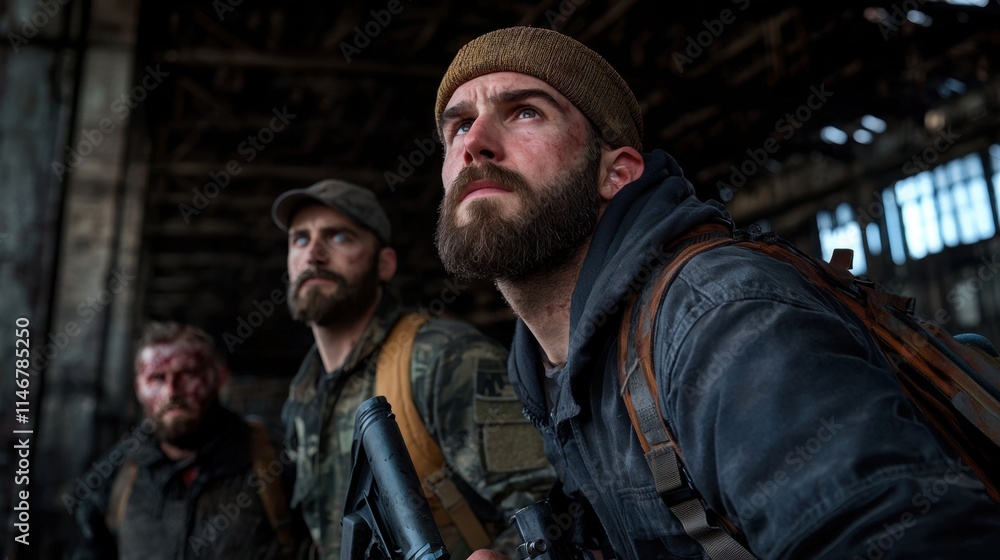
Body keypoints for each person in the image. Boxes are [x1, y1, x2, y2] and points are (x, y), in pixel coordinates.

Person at [432, 26, 1000, 560]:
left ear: (618, 173)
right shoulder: (552, 367)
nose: (475, 143)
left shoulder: (719, 317)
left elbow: (906, 539)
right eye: (458, 126)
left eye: (525, 112)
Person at [271, 179, 554, 559]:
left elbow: (548, 512)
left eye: (339, 237)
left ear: (384, 263)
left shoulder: (444, 358)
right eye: (300, 239)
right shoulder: (302, 396)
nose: (314, 254)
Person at [68, 321, 299, 559]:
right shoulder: (114, 474)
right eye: (157, 378)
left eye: (188, 374)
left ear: (219, 377)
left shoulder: (275, 461)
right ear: (138, 388)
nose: (172, 392)